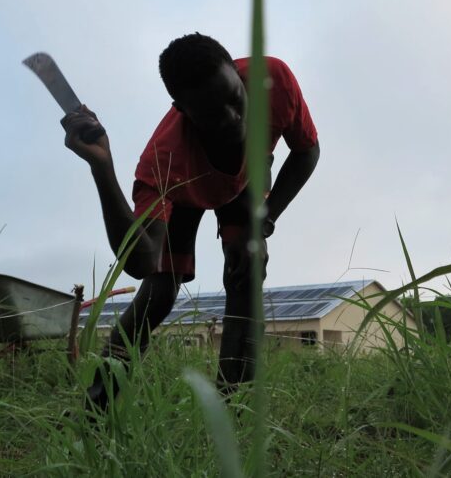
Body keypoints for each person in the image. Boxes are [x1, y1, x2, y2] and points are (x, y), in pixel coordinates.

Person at [60, 32, 320, 411]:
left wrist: (265, 219)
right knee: (159, 294)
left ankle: (233, 412)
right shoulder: (164, 162)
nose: (232, 121)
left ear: (237, 73)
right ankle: (93, 412)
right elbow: (140, 262)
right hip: (185, 193)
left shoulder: (273, 81)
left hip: (245, 180)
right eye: (212, 115)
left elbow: (307, 151)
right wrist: (103, 168)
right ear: (182, 109)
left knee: (247, 264)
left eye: (235, 100)